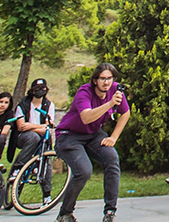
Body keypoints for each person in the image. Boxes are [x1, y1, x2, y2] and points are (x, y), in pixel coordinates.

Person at [54, 63, 130, 222]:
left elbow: (125, 113)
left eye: (110, 78)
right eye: (102, 78)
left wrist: (114, 137)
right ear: (95, 80)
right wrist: (109, 104)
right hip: (69, 135)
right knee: (84, 171)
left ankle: (110, 212)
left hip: (93, 135)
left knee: (112, 159)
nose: (106, 82)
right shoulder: (85, 92)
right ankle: (65, 213)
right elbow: (86, 117)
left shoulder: (116, 90)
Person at [7, 77, 55, 203]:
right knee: (33, 137)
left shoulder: (48, 105)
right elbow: (21, 127)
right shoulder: (23, 105)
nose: (41, 91)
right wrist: (40, 127)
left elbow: (48, 128)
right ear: (32, 91)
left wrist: (31, 126)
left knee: (46, 165)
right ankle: (18, 169)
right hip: (24, 138)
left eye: (43, 89)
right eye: (38, 89)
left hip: (42, 140)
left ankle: (47, 195)